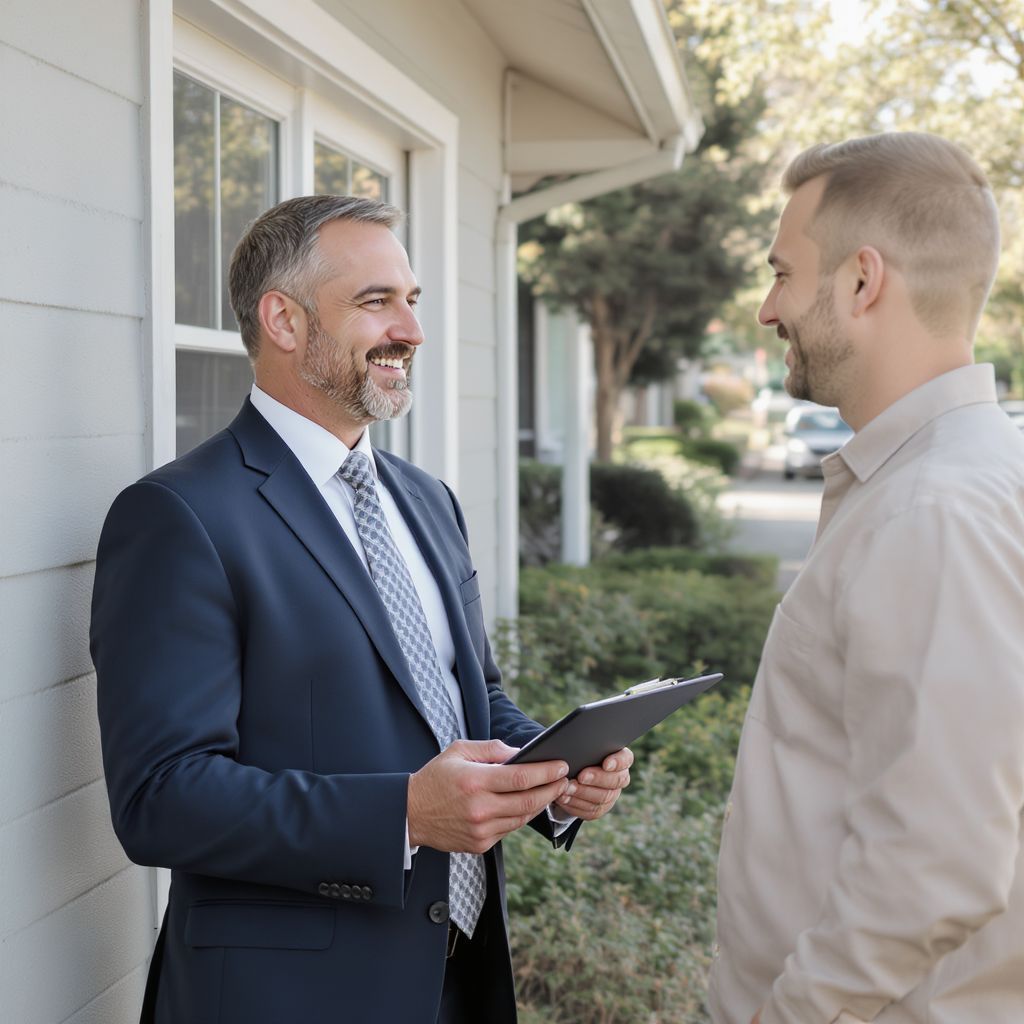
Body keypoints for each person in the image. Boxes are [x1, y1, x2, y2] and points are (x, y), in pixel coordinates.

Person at [90, 194, 633, 1024]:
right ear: (283, 320)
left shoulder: (426, 501)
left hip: (456, 979)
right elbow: (160, 798)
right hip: (286, 998)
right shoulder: (179, 516)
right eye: (377, 302)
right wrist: (403, 813)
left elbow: (470, 698)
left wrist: (554, 771)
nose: (410, 330)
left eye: (411, 301)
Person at [709, 132, 1024, 1024]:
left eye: (781, 272)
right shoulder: (967, 480)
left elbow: (938, 861)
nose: (769, 309)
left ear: (861, 281)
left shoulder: (933, 512)